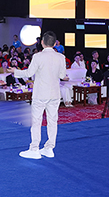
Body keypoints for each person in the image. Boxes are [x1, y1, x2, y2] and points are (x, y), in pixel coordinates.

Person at [12, 31, 68, 159]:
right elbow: (62, 75)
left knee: (36, 122)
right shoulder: (61, 57)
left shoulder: (37, 56)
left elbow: (28, 73)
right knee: (52, 121)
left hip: (40, 94)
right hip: (54, 93)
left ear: (42, 42)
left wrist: (15, 71)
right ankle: (49, 148)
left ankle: (34, 149)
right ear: (55, 43)